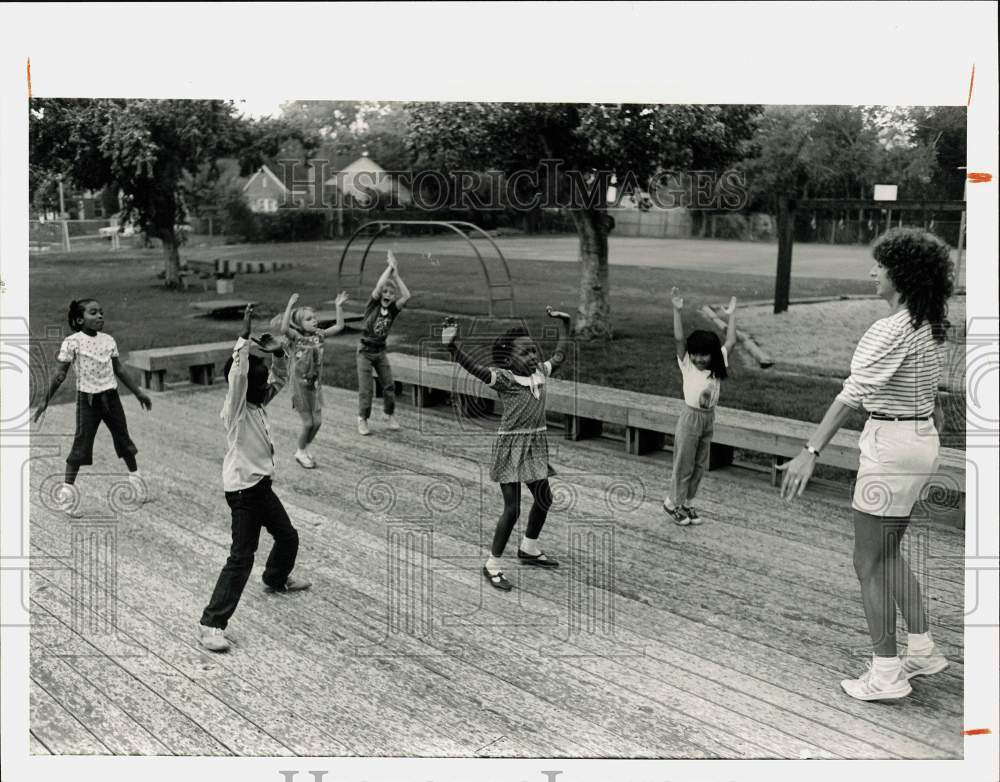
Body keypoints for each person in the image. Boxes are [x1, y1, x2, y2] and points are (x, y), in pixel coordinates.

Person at [777, 228, 953, 701]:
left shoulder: (889, 328)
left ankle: (886, 675)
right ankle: (922, 650)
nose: (872, 272)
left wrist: (809, 452)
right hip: (920, 441)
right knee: (889, 551)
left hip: (892, 446)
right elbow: (930, 397)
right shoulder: (927, 322)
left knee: (868, 562)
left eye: (879, 265)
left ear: (901, 273)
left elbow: (851, 396)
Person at [198, 304, 310, 653]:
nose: (266, 382)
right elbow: (239, 376)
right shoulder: (236, 409)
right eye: (259, 377)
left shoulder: (257, 404)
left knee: (288, 537)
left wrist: (280, 353)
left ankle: (275, 578)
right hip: (244, 492)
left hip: (260, 487)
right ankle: (211, 624)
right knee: (242, 555)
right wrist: (243, 340)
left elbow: (279, 377)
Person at [441, 307, 571, 591]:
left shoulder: (540, 373)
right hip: (511, 447)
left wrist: (566, 325)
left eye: (533, 350)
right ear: (508, 360)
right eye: (524, 353)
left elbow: (560, 354)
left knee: (544, 498)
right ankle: (492, 565)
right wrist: (453, 348)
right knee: (511, 510)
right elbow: (475, 369)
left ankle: (528, 548)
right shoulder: (505, 380)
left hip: (534, 445)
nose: (533, 356)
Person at [33, 298, 152, 517]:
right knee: (81, 445)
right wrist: (44, 400)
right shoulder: (72, 342)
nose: (100, 316)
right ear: (79, 319)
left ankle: (136, 481)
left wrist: (138, 392)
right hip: (88, 402)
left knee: (124, 439)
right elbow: (60, 375)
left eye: (101, 313)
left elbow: (120, 370)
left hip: (111, 399)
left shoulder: (108, 340)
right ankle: (66, 495)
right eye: (93, 313)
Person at [663, 288, 737, 525]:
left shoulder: (718, 363)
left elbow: (732, 340)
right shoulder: (687, 364)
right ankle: (672, 503)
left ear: (713, 355)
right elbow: (678, 339)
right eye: (695, 354)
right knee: (683, 463)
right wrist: (677, 310)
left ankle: (687, 503)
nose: (698, 359)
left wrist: (732, 315)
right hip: (690, 418)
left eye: (704, 355)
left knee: (698, 465)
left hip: (707, 418)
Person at [271, 290, 349, 469]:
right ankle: (300, 451)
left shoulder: (319, 335)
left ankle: (304, 449)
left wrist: (338, 306)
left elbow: (338, 327)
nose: (314, 320)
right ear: (299, 324)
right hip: (299, 386)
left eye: (314, 317)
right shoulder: (296, 338)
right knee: (308, 423)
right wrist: (290, 307)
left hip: (314, 385)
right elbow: (283, 329)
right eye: (308, 319)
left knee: (318, 422)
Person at [356, 250, 410, 436]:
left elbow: (407, 296)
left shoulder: (393, 309)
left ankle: (388, 414)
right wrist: (389, 267)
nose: (388, 294)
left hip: (379, 352)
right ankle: (362, 419)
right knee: (366, 389)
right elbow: (379, 286)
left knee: (388, 385)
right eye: (385, 292)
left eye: (391, 293)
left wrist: (397, 276)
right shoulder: (373, 305)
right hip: (365, 351)